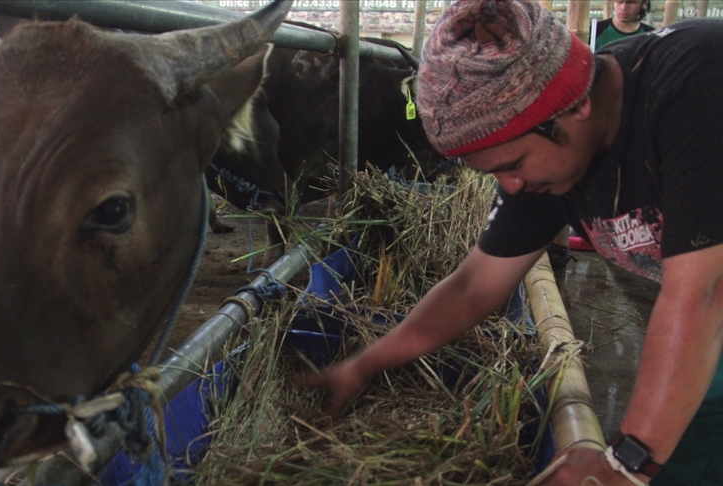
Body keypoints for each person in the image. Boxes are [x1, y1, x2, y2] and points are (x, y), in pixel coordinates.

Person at [297, 1, 723, 485]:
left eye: (512, 163)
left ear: (574, 106)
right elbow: (474, 287)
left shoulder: (698, 81)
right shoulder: (548, 158)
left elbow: (704, 294)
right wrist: (365, 364)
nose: (511, 186)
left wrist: (627, 463)